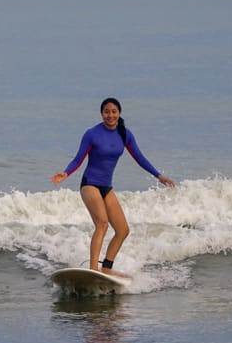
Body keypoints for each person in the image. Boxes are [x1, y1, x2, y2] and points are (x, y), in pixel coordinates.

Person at [52, 98, 175, 276]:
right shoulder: (92, 134)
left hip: (106, 187)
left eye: (113, 111)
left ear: (119, 113)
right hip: (89, 184)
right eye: (106, 111)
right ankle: (93, 270)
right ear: (101, 113)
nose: (110, 115)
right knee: (102, 223)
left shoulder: (125, 134)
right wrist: (66, 173)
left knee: (123, 230)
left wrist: (159, 176)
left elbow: (140, 158)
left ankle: (106, 268)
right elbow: (78, 159)